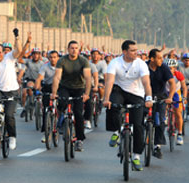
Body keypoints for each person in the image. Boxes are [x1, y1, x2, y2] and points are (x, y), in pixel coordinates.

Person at [104, 40, 153, 171]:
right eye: (132, 50)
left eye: (136, 50)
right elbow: (109, 81)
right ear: (124, 52)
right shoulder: (115, 63)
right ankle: (115, 131)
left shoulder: (141, 64)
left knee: (138, 126)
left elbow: (146, 83)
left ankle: (136, 156)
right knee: (112, 106)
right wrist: (106, 98)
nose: (135, 53)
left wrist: (148, 98)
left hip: (136, 94)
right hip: (119, 91)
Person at [51, 40, 92, 152]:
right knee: (62, 103)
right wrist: (54, 93)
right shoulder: (62, 60)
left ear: (79, 50)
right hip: (65, 87)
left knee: (78, 113)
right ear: (68, 49)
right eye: (72, 48)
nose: (74, 50)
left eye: (76, 48)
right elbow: (57, 77)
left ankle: (79, 140)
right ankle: (61, 121)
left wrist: (87, 94)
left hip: (79, 88)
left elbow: (88, 78)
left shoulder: (83, 61)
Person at [147, 49, 176, 159]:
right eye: (159, 58)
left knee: (160, 120)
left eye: (162, 57)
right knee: (139, 118)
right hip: (146, 96)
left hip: (161, 97)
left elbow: (172, 83)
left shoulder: (164, 67)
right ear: (152, 59)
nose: (162, 60)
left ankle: (157, 146)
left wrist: (170, 97)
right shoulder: (144, 67)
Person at [34, 50, 59, 142]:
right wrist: (37, 87)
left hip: (59, 88)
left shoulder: (61, 66)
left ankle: (59, 125)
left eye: (55, 57)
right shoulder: (45, 66)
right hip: (48, 88)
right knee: (46, 110)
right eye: (51, 57)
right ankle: (45, 133)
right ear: (48, 58)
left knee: (61, 108)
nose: (53, 59)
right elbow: (39, 78)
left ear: (58, 58)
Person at [18, 47, 44, 118]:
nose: (35, 56)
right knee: (28, 88)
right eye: (34, 54)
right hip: (31, 80)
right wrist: (26, 53)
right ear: (32, 55)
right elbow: (19, 60)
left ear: (39, 55)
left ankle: (40, 108)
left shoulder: (42, 63)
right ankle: (24, 107)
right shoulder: (28, 61)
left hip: (39, 81)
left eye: (37, 54)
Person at [166, 59, 187, 145]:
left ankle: (180, 134)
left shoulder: (178, 74)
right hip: (165, 92)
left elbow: (184, 87)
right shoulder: (163, 74)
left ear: (175, 68)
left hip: (176, 93)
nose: (169, 70)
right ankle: (166, 119)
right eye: (168, 68)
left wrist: (184, 98)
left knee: (178, 113)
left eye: (171, 68)